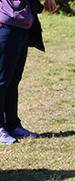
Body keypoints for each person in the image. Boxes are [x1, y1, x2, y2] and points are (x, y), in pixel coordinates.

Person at [0, 0, 58, 144]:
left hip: (22, 27)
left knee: (13, 80)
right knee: (2, 81)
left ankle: (12, 124)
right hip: (4, 25)